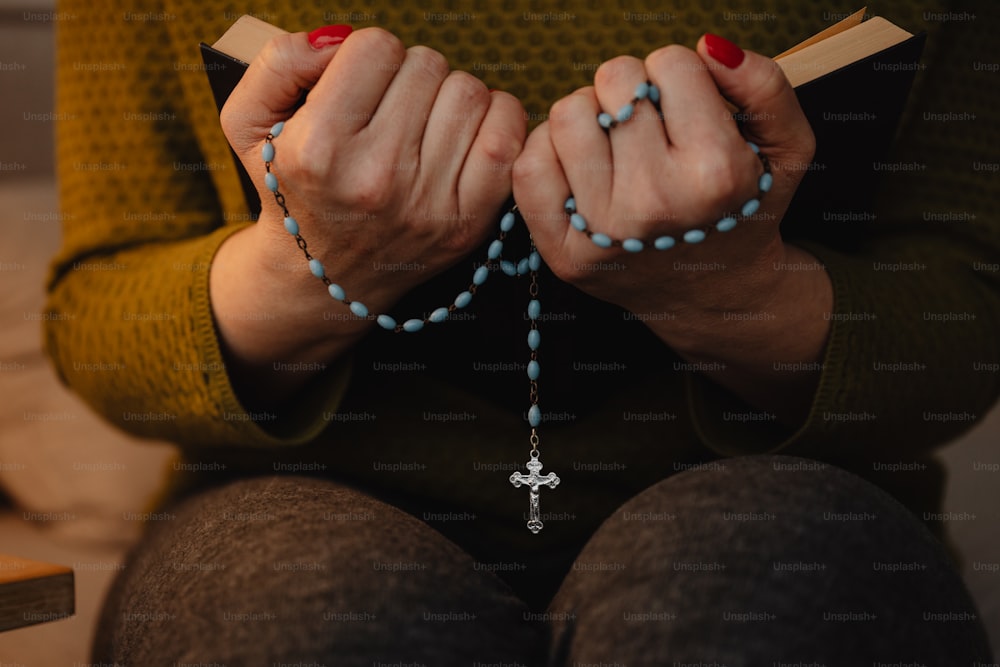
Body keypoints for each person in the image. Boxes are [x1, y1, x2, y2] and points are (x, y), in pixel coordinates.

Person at [47, 0, 996, 664]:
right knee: (302, 623)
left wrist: (737, 294)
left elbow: (964, 337)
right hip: (276, 508)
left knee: (753, 604)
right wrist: (308, 271)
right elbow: (98, 322)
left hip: (794, 501)